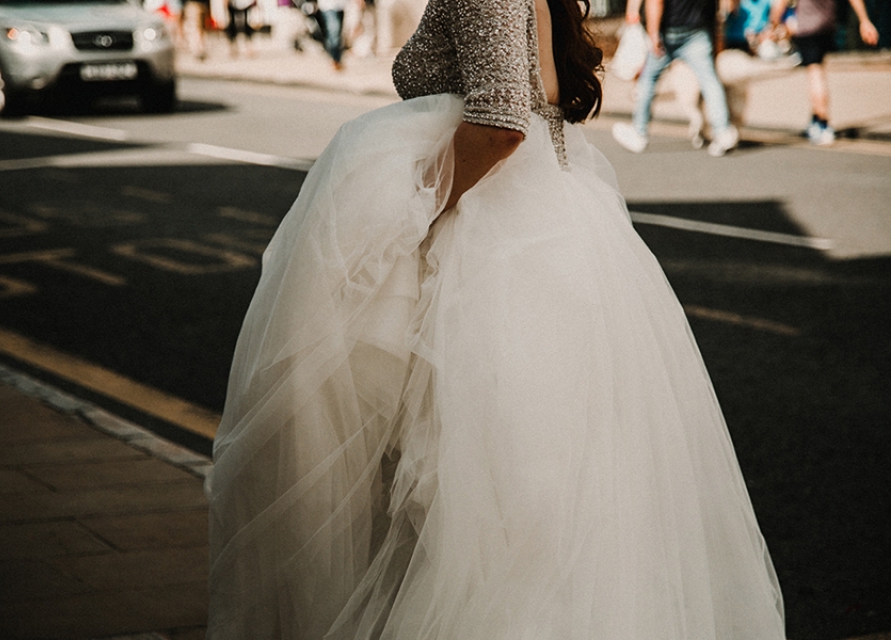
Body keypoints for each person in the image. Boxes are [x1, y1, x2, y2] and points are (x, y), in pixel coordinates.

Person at [205, 0, 788, 637]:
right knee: (551, 496)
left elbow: (502, 120)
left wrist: (410, 211)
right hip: (556, 236)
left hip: (496, 250)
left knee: (494, 504)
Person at [612, 0, 740, 155]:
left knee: (648, 79)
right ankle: (722, 132)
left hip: (668, 32)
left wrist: (653, 33)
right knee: (709, 80)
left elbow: (656, 2)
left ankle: (639, 132)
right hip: (697, 31)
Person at [768, 0, 878, 145]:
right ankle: (815, 118)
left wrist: (773, 25)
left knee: (815, 74)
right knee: (819, 70)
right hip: (827, 27)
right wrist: (864, 20)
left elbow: (780, 4)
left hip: (807, 29)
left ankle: (822, 123)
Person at [317, 0, 349, 69]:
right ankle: (334, 58)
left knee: (337, 32)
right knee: (334, 30)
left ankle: (335, 57)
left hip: (341, 5)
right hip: (328, 6)